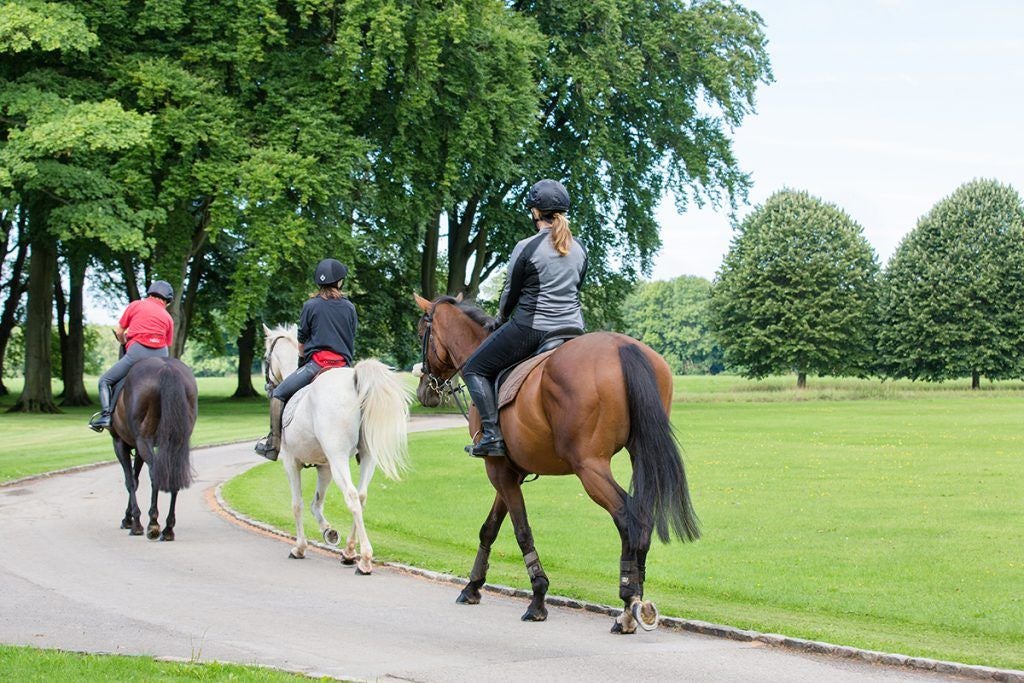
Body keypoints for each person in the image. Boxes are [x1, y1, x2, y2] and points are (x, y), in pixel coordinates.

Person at [461, 179, 588, 457]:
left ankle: (492, 436)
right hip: (574, 329)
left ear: (534, 212)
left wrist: (500, 319)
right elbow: (576, 289)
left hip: (534, 328)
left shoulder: (527, 246)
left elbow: (510, 293)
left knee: (473, 368)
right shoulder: (579, 248)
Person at [255, 258, 357, 461]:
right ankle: (363, 447)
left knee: (278, 394)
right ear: (339, 282)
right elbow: (351, 338)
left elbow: (301, 344)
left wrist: (302, 361)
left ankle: (273, 445)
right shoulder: (350, 308)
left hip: (317, 364)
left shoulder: (310, 306)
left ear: (319, 283)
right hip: (344, 367)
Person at [88, 281, 175, 432]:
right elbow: (167, 343)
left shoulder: (136, 305)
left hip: (138, 352)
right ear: (166, 300)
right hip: (161, 355)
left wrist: (123, 341)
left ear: (150, 294)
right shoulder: (168, 317)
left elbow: (119, 331)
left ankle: (106, 416)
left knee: (105, 380)